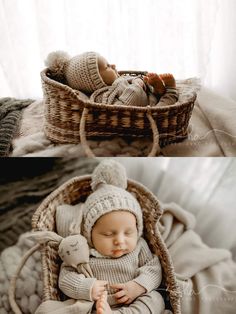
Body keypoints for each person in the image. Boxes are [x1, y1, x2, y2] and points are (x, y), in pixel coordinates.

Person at [58, 159, 166, 314]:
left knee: (155, 299)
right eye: (108, 234)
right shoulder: (83, 252)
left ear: (138, 229)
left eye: (128, 233)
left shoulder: (139, 246)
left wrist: (137, 286)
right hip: (98, 305)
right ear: (90, 234)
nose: (120, 241)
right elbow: (65, 277)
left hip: (134, 302)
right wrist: (87, 288)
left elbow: (154, 268)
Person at [45, 51, 178, 107]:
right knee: (165, 108)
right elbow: (125, 106)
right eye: (107, 66)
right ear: (96, 81)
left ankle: (158, 90)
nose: (113, 65)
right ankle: (171, 90)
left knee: (149, 87)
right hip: (151, 109)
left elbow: (133, 81)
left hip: (149, 94)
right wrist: (137, 85)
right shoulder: (101, 97)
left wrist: (147, 82)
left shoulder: (117, 80)